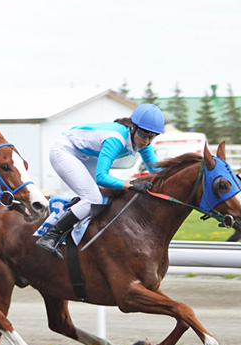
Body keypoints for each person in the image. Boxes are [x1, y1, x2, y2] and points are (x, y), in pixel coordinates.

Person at [36, 103, 164, 256]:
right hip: (64, 152)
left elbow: (156, 170)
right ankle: (51, 236)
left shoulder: (143, 143)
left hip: (85, 155)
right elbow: (101, 177)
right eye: (144, 134)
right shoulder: (115, 139)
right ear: (133, 128)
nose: (147, 141)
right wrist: (131, 185)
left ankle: (76, 218)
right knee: (93, 198)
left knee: (102, 196)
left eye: (152, 136)